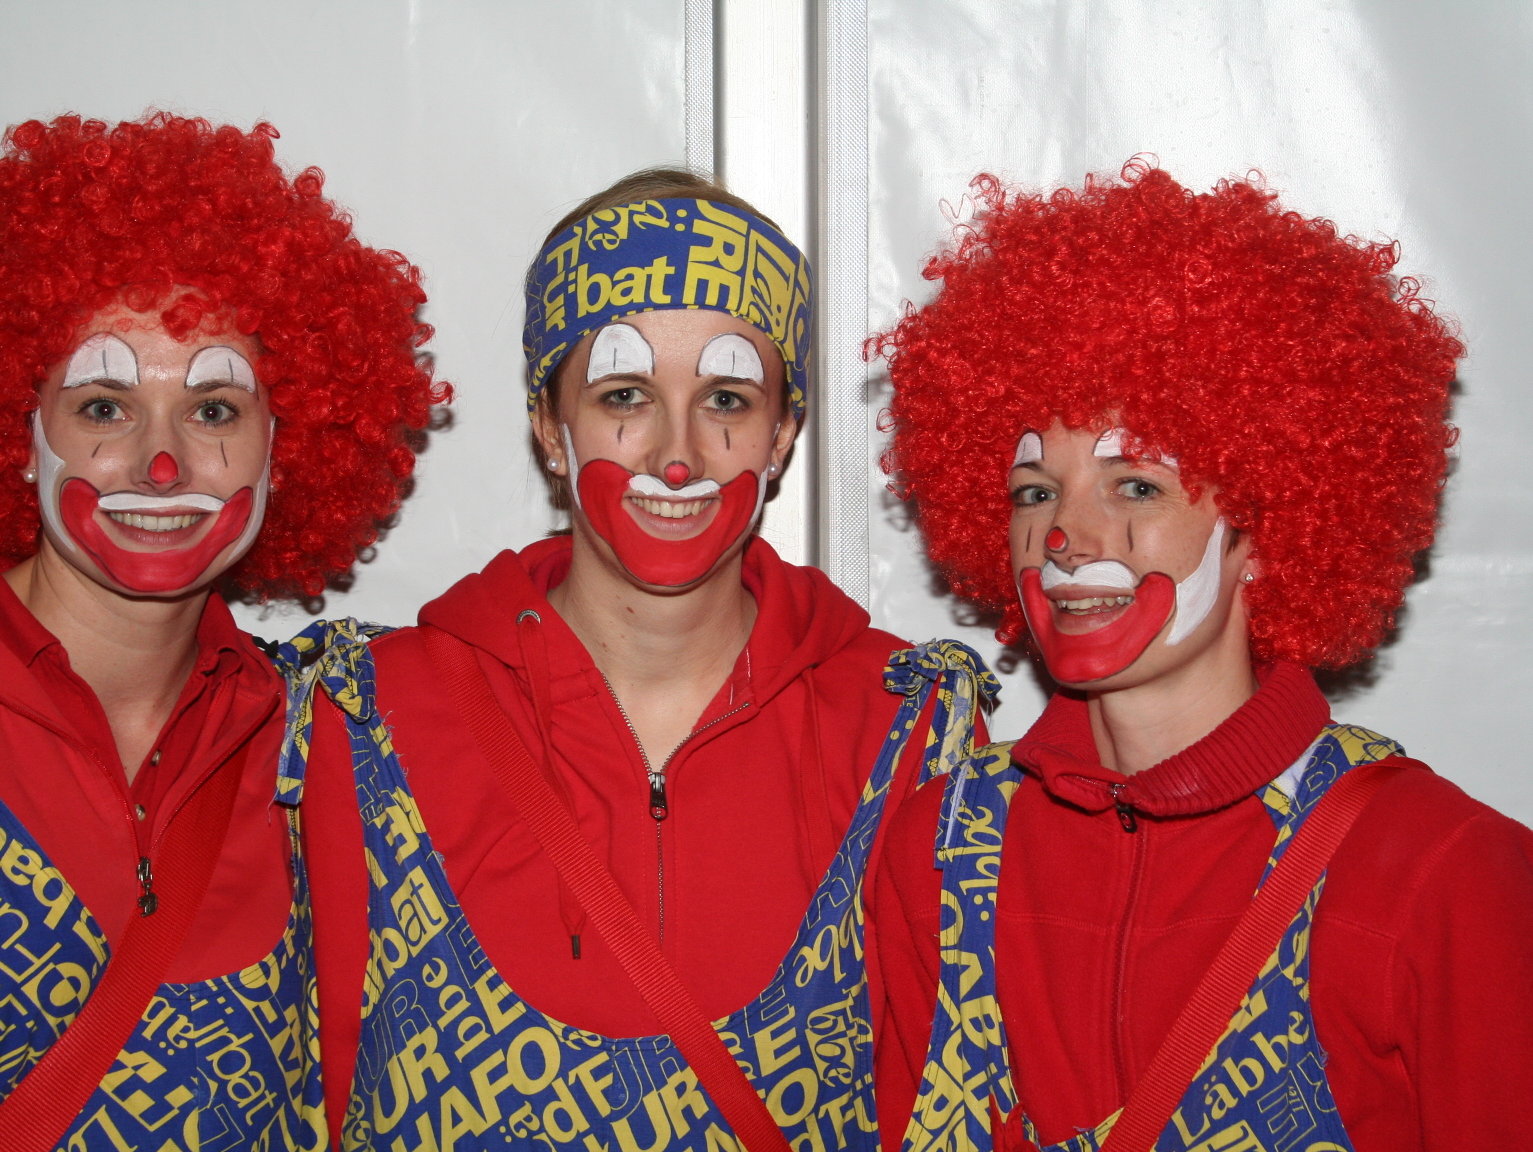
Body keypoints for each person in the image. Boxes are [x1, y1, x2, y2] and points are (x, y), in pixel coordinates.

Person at [297, 169, 992, 1152]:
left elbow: (945, 1108)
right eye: (625, 395)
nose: (677, 455)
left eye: (726, 399)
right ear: (550, 427)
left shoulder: (908, 732)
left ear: (783, 435)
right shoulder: (369, 719)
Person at [0, 113, 443, 1151]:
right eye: (104, 407)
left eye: (214, 410)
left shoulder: (307, 742)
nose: (161, 464)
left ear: (284, 447)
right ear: (18, 432)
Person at [868, 161, 1533, 1151]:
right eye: (1034, 493)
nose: (1065, 538)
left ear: (1267, 526)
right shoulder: (939, 852)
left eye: (1135, 486)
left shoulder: (1439, 871)